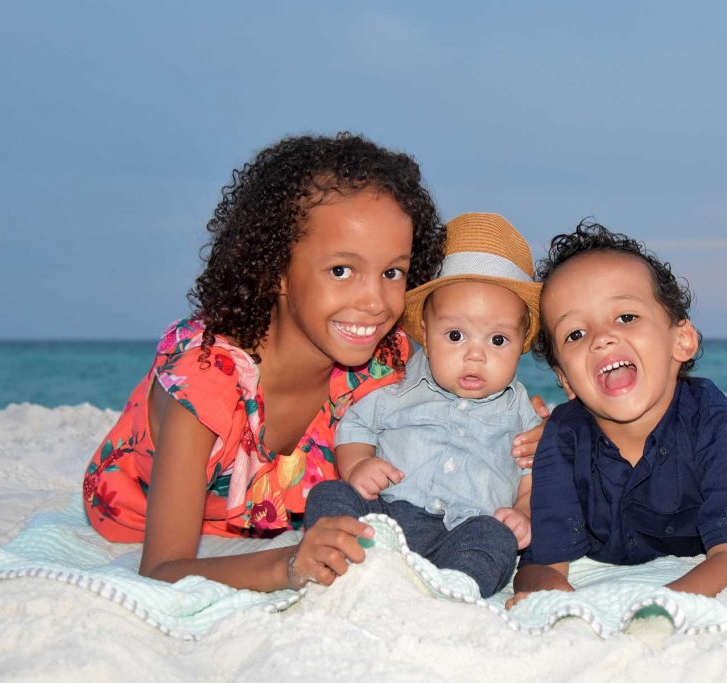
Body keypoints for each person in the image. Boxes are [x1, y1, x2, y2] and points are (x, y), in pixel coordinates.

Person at [82, 134, 546, 593]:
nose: (374, 302)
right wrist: (288, 565)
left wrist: (533, 431)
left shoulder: (382, 362)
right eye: (341, 270)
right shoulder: (201, 388)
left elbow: (466, 383)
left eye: (392, 272)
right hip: (134, 513)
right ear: (276, 268)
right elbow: (162, 569)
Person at [508, 221, 727, 607]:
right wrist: (553, 594)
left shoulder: (710, 418)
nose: (602, 337)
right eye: (575, 334)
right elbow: (541, 565)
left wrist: (653, 606)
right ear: (566, 380)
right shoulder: (563, 438)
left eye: (625, 317)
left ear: (682, 340)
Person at [304, 213, 542, 597]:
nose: (475, 355)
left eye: (498, 341)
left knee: (495, 538)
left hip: (462, 531)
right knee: (330, 496)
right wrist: (358, 465)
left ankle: (451, 590)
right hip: (385, 523)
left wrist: (524, 514)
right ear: (427, 338)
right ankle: (350, 569)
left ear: (521, 345)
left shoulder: (523, 414)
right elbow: (356, 425)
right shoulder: (399, 390)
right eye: (455, 335)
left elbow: (532, 475)